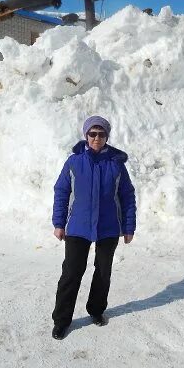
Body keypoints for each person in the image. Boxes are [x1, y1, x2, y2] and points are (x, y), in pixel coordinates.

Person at [51, 115, 136, 340]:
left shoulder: (116, 164)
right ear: (86, 135)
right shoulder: (74, 162)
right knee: (71, 272)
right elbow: (61, 192)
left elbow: (127, 195)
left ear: (107, 136)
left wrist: (128, 227)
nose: (96, 138)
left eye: (101, 134)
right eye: (92, 134)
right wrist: (59, 223)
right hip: (78, 227)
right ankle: (62, 320)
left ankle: (96, 310)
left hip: (108, 228)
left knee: (103, 272)